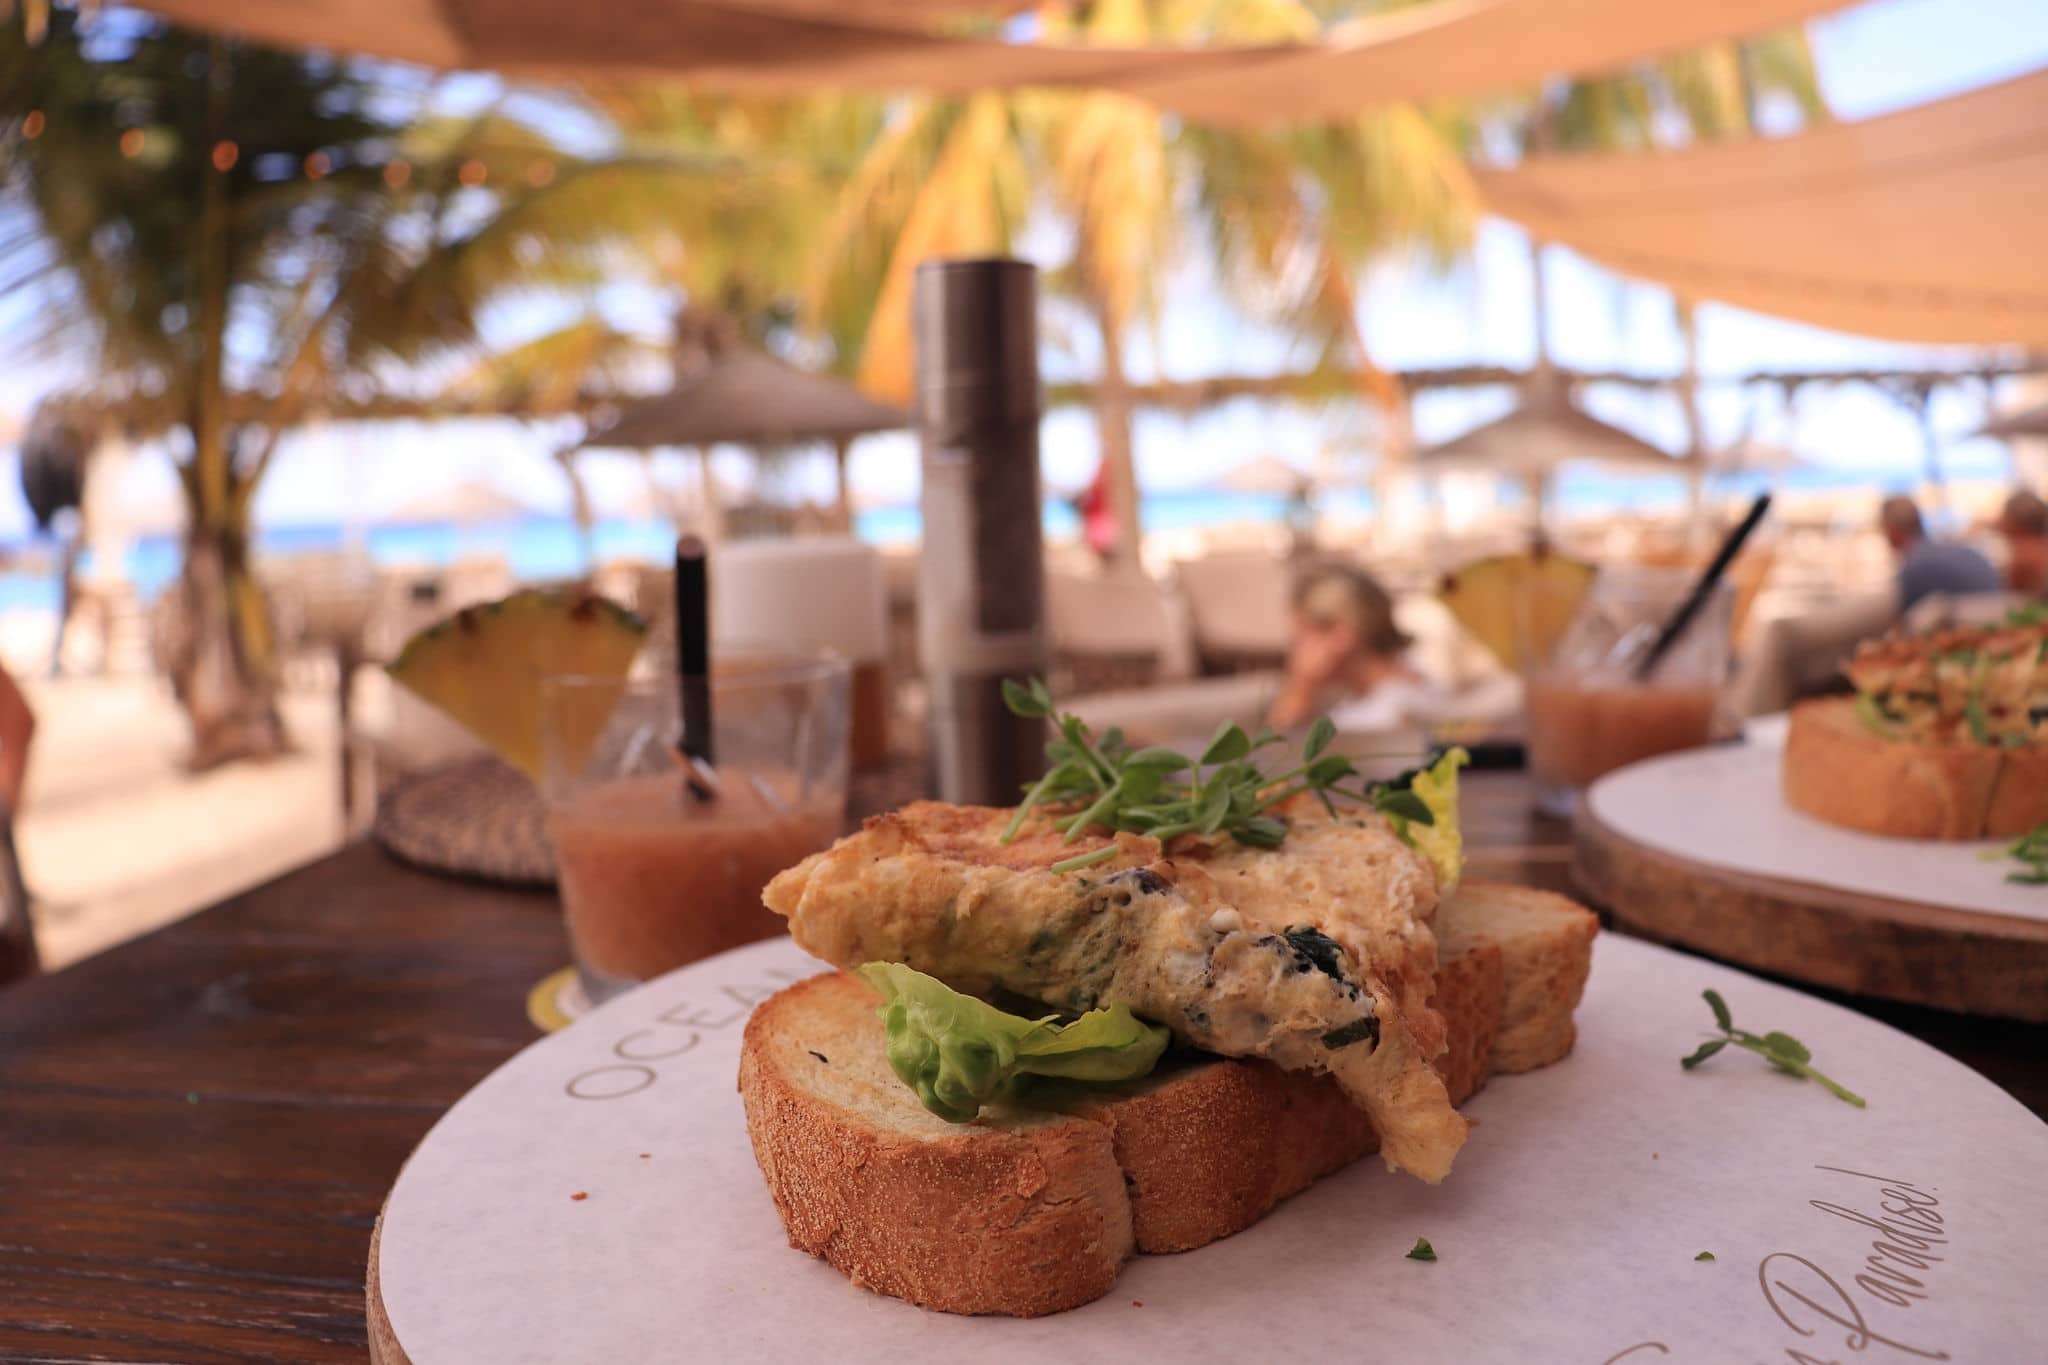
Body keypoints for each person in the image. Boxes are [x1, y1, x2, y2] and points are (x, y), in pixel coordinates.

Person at [1267, 562, 1422, 731]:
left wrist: (1298, 692)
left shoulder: (1365, 722)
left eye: (1301, 635)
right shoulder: (1417, 682)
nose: (1293, 648)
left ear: (1340, 634)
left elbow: (1275, 754)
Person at [1878, 495, 1999, 615]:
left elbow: (1903, 622)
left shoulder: (1914, 567)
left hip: (1969, 630)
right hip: (2002, 622)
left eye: (1883, 528)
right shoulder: (1964, 550)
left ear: (1892, 530)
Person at [1997, 489, 2048, 598]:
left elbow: (2014, 600)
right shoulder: (2041, 547)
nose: (2001, 520)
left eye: (2005, 515)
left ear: (2013, 520)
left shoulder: (2026, 554)